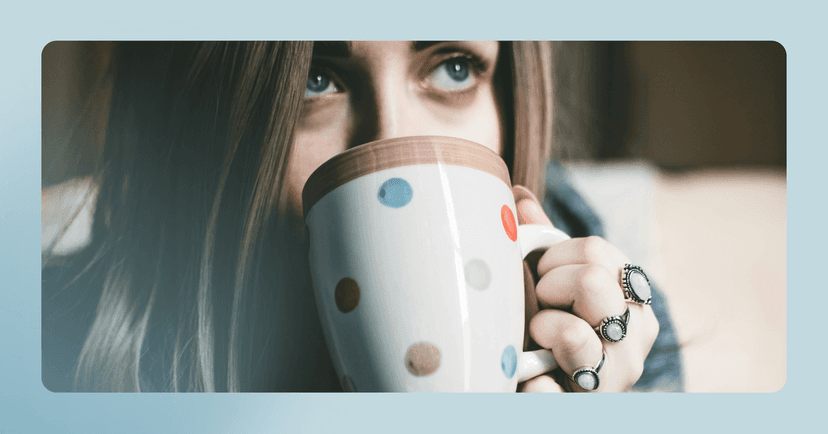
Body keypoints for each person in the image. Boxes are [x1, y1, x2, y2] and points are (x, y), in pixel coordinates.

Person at [42, 41, 682, 392]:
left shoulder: (597, 318)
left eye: (453, 68)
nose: (391, 143)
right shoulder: (51, 348)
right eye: (313, 79)